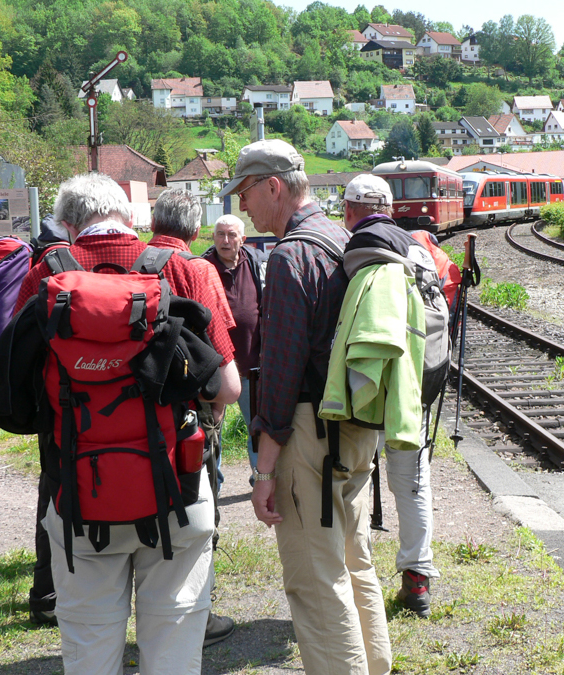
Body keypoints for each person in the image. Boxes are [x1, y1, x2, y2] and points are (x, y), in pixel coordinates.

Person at [14, 173, 241, 675]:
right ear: (130, 217)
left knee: (91, 649)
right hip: (175, 493)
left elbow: (14, 387)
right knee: (175, 645)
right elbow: (228, 388)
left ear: (69, 225)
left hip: (78, 492)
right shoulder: (185, 270)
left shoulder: (45, 276)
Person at [218, 140, 392, 674]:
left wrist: (262, 469)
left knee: (314, 583)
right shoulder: (341, 238)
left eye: (244, 193)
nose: (240, 208)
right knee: (353, 561)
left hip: (309, 438)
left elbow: (281, 374)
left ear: (273, 186)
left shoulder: (293, 256)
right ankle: (376, 665)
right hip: (357, 428)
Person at [341, 173, 440, 618]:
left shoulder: (360, 247)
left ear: (349, 210)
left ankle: (348, 575)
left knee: (352, 477)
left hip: (375, 383)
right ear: (390, 206)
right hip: (420, 380)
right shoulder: (418, 245)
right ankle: (417, 579)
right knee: (413, 481)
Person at [148, 187, 237, 646]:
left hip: (136, 418)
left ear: (153, 224)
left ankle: (149, 611)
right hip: (190, 420)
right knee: (199, 514)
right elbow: (225, 372)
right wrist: (218, 408)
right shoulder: (197, 269)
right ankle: (196, 617)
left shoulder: (133, 263)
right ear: (197, 230)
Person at [201, 214, 266, 483]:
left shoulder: (257, 262)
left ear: (243, 238)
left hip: (252, 362)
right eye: (220, 234)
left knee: (256, 428)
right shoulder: (202, 267)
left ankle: (260, 478)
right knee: (212, 427)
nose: (225, 241)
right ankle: (213, 480)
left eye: (231, 235)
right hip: (216, 365)